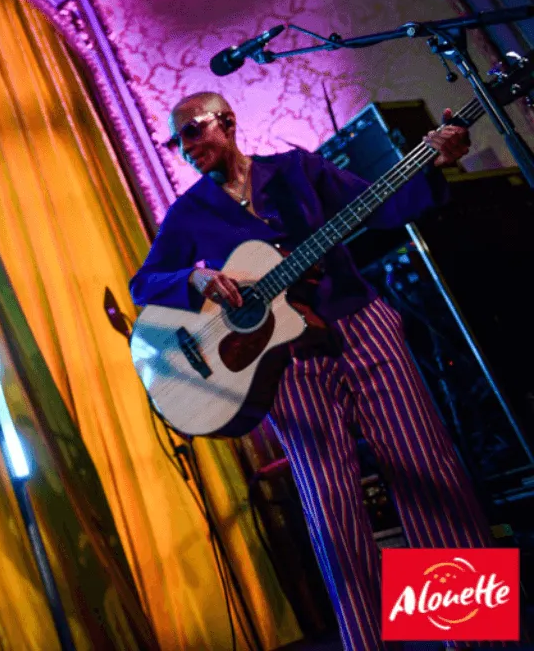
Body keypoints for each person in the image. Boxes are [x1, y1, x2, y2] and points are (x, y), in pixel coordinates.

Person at [129, 91, 498, 651]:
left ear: (226, 122)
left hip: (361, 327)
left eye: (193, 132)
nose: (185, 148)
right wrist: (193, 279)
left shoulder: (296, 169)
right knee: (333, 511)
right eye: (176, 141)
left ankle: (474, 641)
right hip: (285, 367)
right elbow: (143, 283)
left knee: (428, 475)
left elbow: (379, 206)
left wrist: (434, 163)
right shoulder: (190, 212)